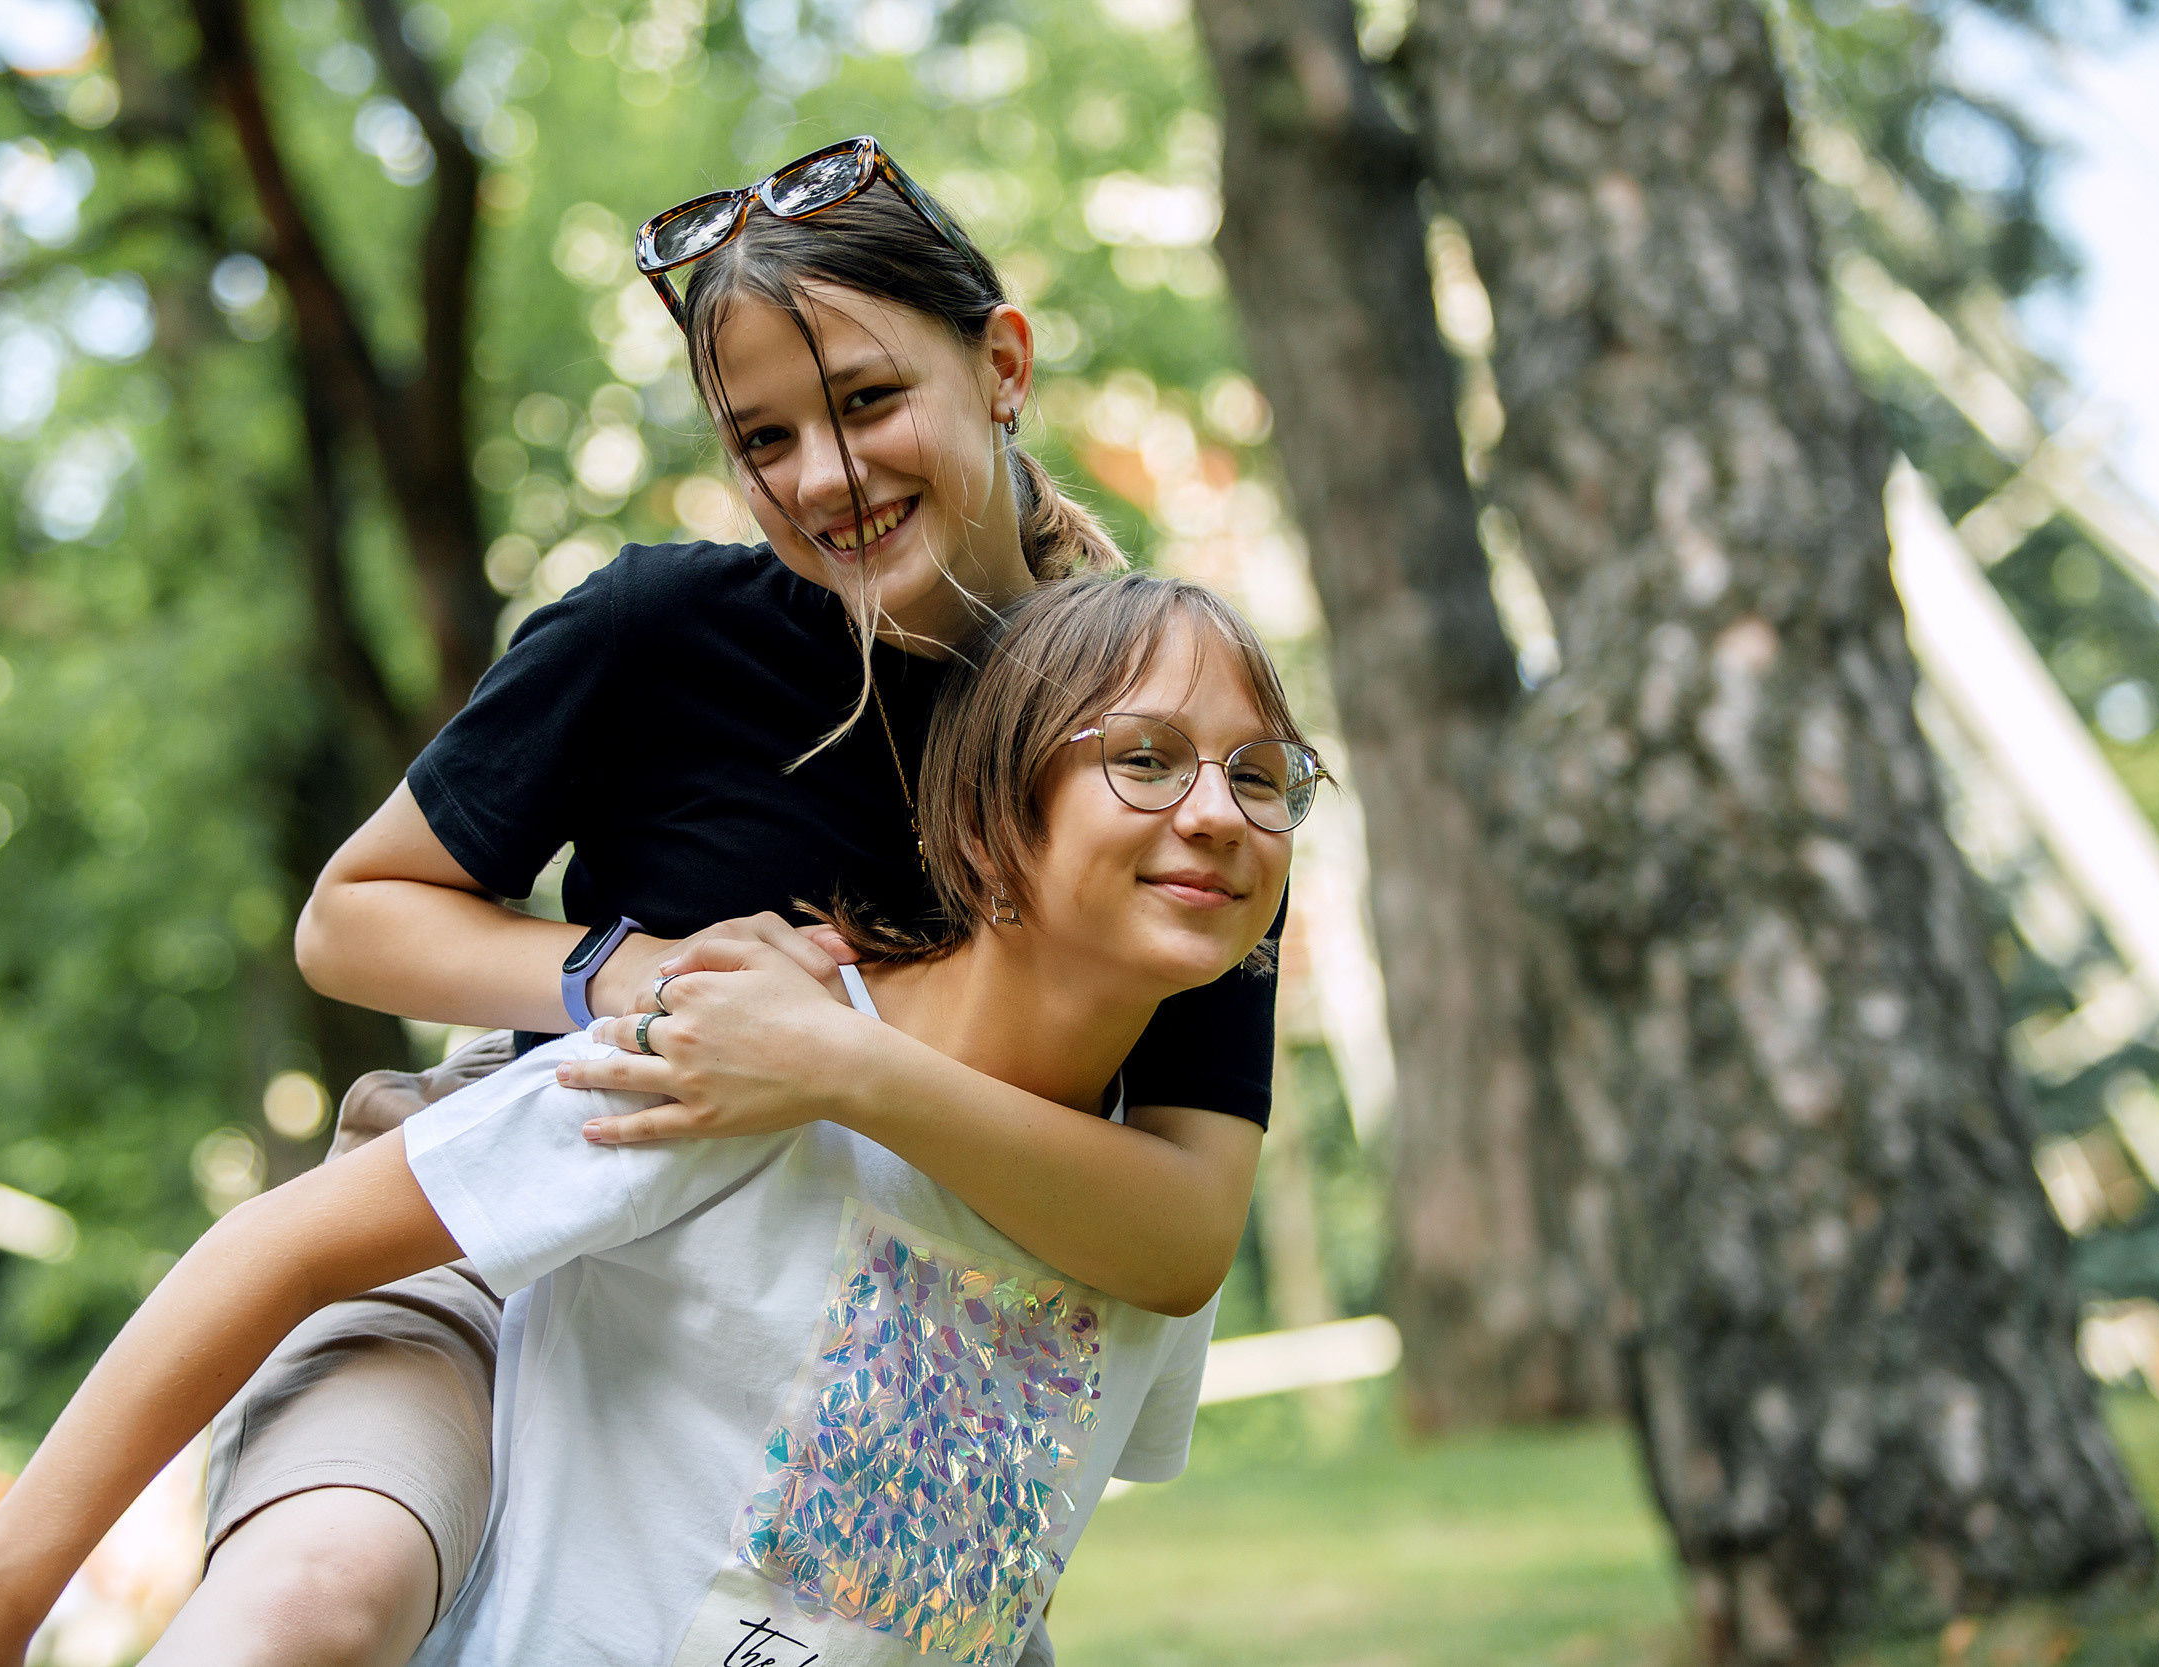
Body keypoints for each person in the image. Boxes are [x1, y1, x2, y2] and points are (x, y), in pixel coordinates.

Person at [123, 138, 1288, 1664]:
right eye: (763, 439)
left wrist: (847, 1068)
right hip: (512, 1226)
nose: (823, 476)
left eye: (868, 401)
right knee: (319, 1598)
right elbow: (355, 917)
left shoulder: (1169, 746)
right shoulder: (660, 632)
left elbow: (1182, 1221)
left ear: (1001, 362)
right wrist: (635, 972)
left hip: (863, 1324)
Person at [0, 571, 1325, 1667]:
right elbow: (282, 1246)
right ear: (999, 814)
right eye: (1143, 758)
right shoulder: (742, 1054)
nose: (1214, 812)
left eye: (1263, 779)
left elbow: (976, 1603)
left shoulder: (1131, 1219)